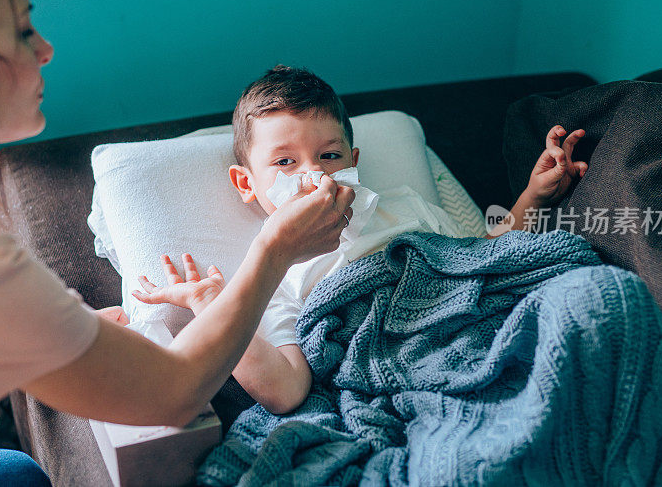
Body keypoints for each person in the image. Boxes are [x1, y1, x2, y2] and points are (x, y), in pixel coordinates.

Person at [0, 0, 354, 486]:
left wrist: (73, 327)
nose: (46, 50)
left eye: (329, 156)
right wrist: (275, 249)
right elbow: (173, 391)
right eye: (24, 32)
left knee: (15, 474)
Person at [133, 65, 589, 415]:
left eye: (329, 156)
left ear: (352, 161)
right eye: (285, 162)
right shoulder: (275, 277)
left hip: (478, 327)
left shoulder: (404, 207)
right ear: (247, 183)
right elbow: (286, 390)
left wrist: (534, 195)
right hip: (400, 364)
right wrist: (211, 303)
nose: (314, 175)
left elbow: (484, 260)